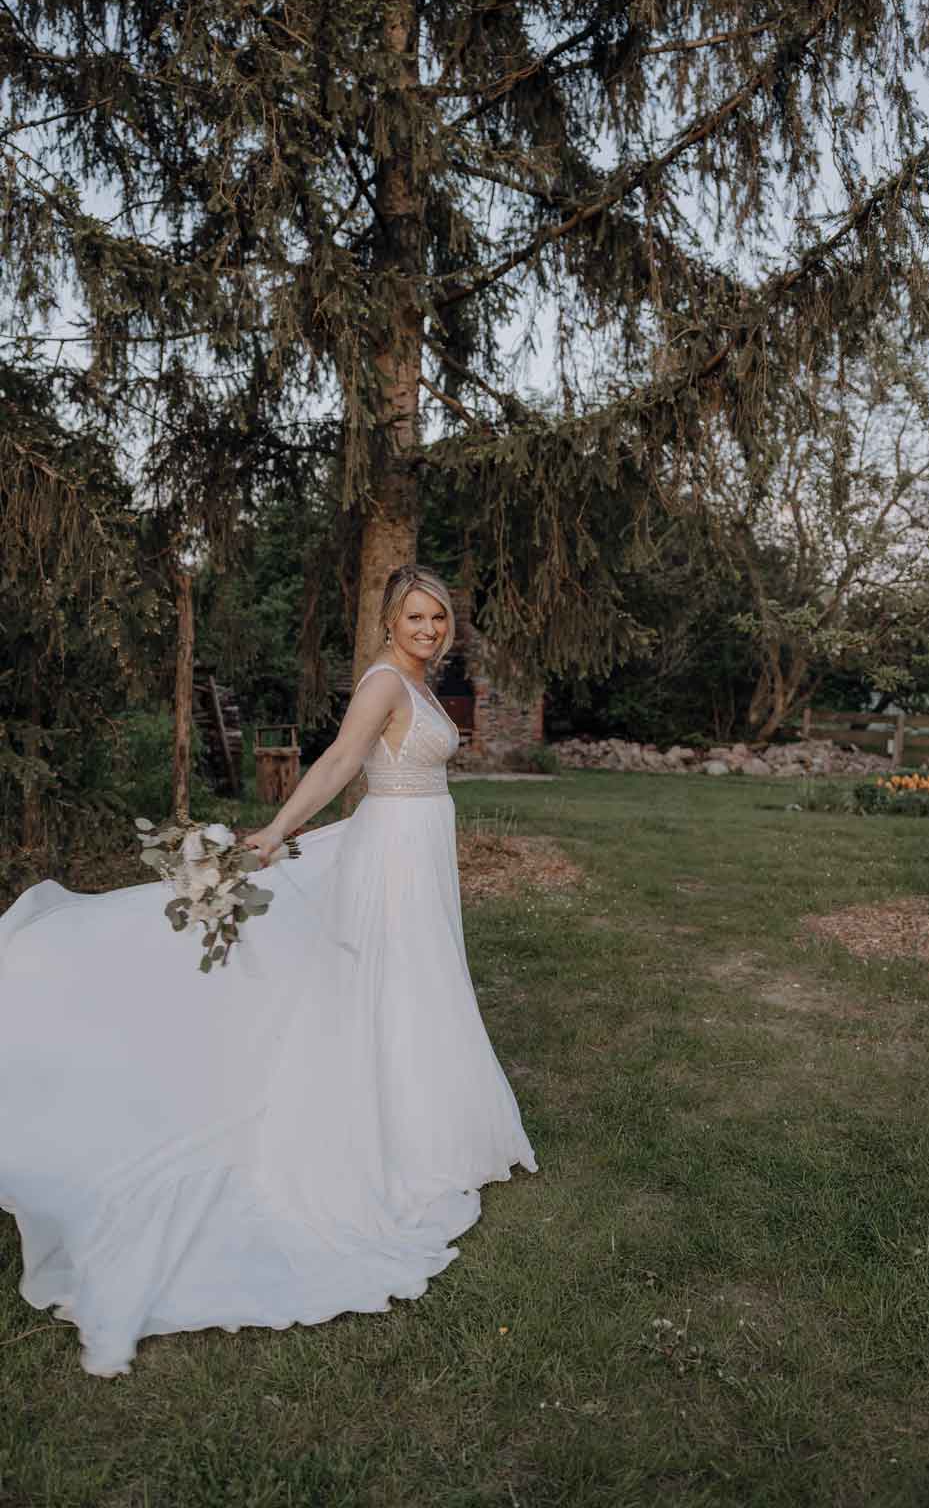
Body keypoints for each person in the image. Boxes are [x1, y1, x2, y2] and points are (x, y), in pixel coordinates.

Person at [0, 565, 537, 1377]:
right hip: (390, 854)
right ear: (391, 622)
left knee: (418, 990)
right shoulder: (386, 683)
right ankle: (386, 1141)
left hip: (420, 850)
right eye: (416, 617)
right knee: (386, 990)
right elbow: (335, 765)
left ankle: (431, 1129)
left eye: (439, 617)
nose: (429, 629)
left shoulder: (422, 684)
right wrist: (277, 831)